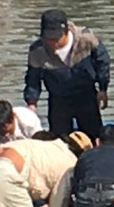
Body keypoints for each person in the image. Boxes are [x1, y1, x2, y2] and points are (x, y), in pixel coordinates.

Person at [24, 8, 109, 138]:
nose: (52, 43)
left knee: (93, 133)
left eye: (56, 38)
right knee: (59, 138)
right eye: (48, 38)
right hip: (59, 99)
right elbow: (33, 79)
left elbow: (102, 61)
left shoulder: (86, 39)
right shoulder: (37, 50)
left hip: (86, 94)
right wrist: (31, 103)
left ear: (66, 31)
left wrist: (103, 88)